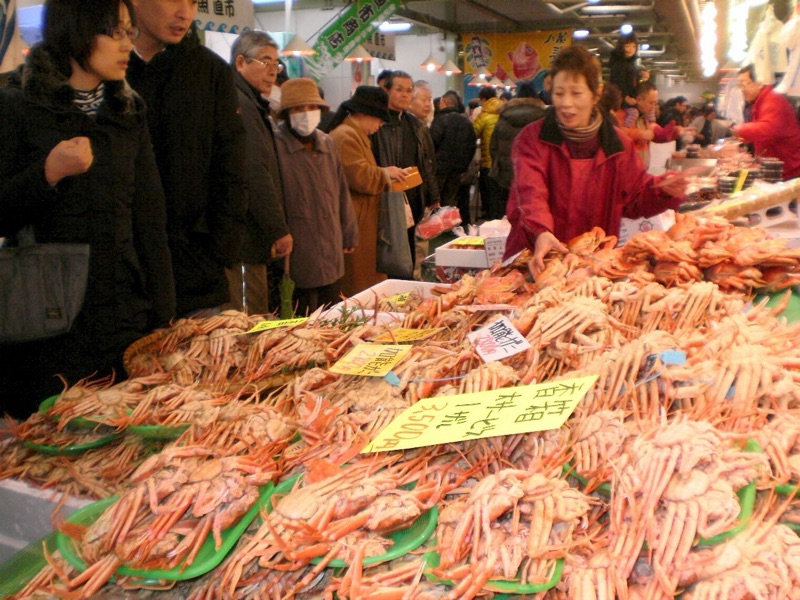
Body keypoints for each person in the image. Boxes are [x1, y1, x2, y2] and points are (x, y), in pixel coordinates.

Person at [0, 0, 175, 417]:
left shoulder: (127, 111)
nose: (125, 46)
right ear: (75, 29)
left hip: (122, 315)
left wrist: (166, 319)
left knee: (124, 447)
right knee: (50, 455)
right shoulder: (17, 103)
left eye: (129, 32)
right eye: (114, 32)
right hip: (48, 320)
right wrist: (47, 174)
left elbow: (149, 219)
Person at [504, 45, 690, 276]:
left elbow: (634, 197)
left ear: (596, 93)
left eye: (576, 93)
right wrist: (540, 231)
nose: (566, 103)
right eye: (559, 93)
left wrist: (664, 190)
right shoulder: (533, 138)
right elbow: (530, 193)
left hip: (589, 267)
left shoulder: (617, 145)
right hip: (535, 260)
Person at [127, 0, 247, 316]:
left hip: (194, 269)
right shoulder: (104, 71)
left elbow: (231, 165)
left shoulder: (210, 70)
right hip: (121, 272)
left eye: (194, 2)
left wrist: (221, 249)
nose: (186, 13)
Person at [274, 78, 358, 313]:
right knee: (299, 308)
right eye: (299, 108)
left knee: (331, 305)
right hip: (297, 242)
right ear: (287, 112)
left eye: (312, 108)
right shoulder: (276, 145)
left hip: (330, 238)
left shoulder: (327, 142)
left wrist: (349, 230)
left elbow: (341, 190)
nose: (306, 114)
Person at [227, 31, 292, 315]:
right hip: (244, 236)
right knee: (247, 316)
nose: (272, 72)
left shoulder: (251, 102)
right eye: (265, 62)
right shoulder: (240, 103)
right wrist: (277, 228)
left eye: (276, 64)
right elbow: (254, 171)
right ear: (241, 62)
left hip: (250, 233)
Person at [327, 85, 406, 296]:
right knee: (357, 283)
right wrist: (385, 174)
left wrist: (382, 172)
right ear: (362, 114)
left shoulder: (355, 134)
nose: (380, 125)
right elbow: (359, 177)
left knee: (365, 279)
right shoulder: (345, 136)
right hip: (356, 221)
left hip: (363, 219)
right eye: (379, 119)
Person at [373, 70, 439, 273]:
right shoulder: (376, 123)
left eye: (409, 90)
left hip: (413, 195)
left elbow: (427, 162)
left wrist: (433, 194)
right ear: (386, 90)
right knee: (387, 247)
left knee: (410, 247)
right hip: (385, 194)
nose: (404, 95)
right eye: (399, 89)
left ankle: (406, 285)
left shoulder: (416, 124)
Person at [732, 64, 800, 180]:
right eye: (740, 85)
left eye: (744, 84)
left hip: (788, 169)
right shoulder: (762, 100)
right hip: (776, 169)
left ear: (759, 83)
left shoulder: (773, 100)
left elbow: (768, 128)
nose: (742, 90)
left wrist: (738, 130)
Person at [489, 80, 545, 211]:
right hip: (534, 176)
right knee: (532, 211)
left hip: (505, 175)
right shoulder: (543, 117)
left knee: (507, 213)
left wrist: (499, 164)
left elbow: (493, 146)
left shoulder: (503, 116)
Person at [430, 90, 477, 226]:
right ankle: (449, 227)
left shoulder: (439, 120)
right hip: (458, 169)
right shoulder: (466, 121)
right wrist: (464, 164)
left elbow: (432, 143)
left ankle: (435, 228)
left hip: (439, 168)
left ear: (444, 101)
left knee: (436, 199)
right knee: (451, 199)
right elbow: (472, 145)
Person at [617, 81, 686, 169]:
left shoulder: (645, 119)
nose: (653, 107)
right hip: (625, 172)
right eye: (650, 103)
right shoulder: (623, 114)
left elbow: (660, 134)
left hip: (640, 172)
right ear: (639, 100)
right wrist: (640, 134)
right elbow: (616, 133)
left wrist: (677, 131)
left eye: (655, 103)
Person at [473, 85, 503, 219]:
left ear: (483, 99)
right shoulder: (504, 112)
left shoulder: (484, 115)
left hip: (488, 162)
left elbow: (473, 133)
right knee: (501, 193)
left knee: (489, 193)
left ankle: (491, 218)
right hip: (503, 162)